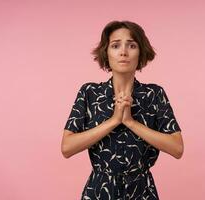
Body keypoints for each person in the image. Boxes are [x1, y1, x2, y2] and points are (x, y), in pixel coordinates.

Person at [61, 20, 184, 200]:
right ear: (106, 52)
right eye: (116, 45)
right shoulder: (90, 93)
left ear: (141, 52)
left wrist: (130, 122)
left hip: (142, 191)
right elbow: (67, 147)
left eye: (132, 45)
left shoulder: (153, 94)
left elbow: (177, 148)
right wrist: (114, 120)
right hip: (99, 190)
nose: (123, 52)